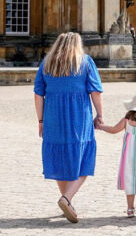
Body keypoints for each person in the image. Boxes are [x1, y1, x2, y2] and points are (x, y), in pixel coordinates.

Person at [33, 32, 104, 223]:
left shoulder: (47, 63)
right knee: (85, 158)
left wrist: (41, 121)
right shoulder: (85, 62)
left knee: (59, 158)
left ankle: (67, 201)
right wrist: (100, 115)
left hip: (53, 117)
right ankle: (66, 198)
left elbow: (38, 94)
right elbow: (96, 91)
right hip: (78, 116)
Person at [98, 93, 136, 217]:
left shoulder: (127, 120)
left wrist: (101, 126)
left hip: (129, 155)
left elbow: (114, 130)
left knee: (130, 178)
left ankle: (130, 208)